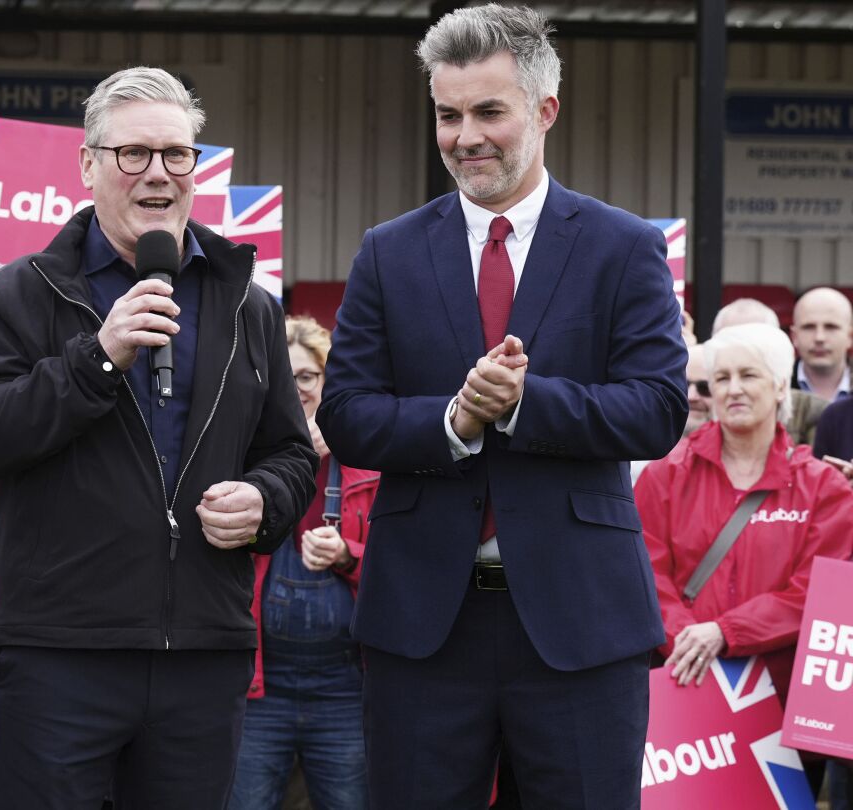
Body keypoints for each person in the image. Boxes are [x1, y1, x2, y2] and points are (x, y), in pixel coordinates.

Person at [317, 6, 688, 807]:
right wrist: (453, 423)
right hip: (422, 626)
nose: (464, 136)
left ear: (544, 110)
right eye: (448, 115)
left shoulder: (623, 247)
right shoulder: (389, 251)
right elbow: (344, 413)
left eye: (488, 111)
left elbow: (658, 410)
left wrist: (525, 405)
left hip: (581, 624)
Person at [0, 66, 317, 810]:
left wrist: (265, 498)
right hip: (59, 655)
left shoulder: (249, 300)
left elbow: (293, 452)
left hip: (203, 656)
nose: (158, 174)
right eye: (133, 154)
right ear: (88, 165)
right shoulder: (20, 292)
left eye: (177, 154)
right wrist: (97, 359)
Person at [635, 322, 853, 791]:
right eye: (722, 378)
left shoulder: (824, 488)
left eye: (749, 376)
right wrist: (687, 641)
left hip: (783, 705)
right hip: (687, 693)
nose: (732, 389)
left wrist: (725, 632)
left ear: (779, 386)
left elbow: (815, 592)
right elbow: (643, 573)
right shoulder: (664, 476)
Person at [230, 315, 376, 810]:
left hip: (344, 688)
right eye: (283, 378)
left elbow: (407, 568)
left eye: (307, 377)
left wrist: (348, 555)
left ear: (326, 381)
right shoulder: (239, 458)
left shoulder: (368, 464)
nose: (296, 389)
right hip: (258, 686)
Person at [714, 297, 826, 445]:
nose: (741, 351)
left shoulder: (814, 410)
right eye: (730, 341)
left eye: (754, 342)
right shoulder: (695, 400)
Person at [791, 287, 852, 402]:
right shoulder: (774, 389)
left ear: (850, 337)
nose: (819, 338)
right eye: (808, 327)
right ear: (794, 336)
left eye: (831, 327)